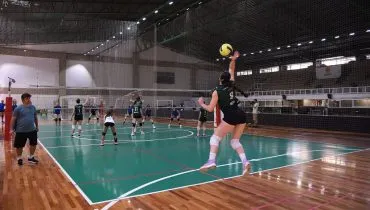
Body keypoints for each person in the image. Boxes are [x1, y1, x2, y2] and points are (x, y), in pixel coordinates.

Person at [197, 51, 250, 176]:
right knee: (234, 142)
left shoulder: (217, 91)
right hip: (241, 114)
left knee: (215, 138)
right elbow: (232, 69)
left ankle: (211, 161)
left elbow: (210, 109)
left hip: (231, 115)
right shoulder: (231, 84)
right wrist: (233, 59)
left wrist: (201, 103)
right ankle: (245, 162)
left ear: (220, 79)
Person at [10, 93, 39, 165]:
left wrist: (37, 126)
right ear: (23, 100)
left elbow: (35, 117)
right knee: (19, 146)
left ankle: (31, 157)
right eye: (27, 98)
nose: (29, 100)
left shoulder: (33, 107)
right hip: (21, 131)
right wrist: (11, 129)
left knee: (33, 144)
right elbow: (13, 119)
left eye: (29, 98)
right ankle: (19, 158)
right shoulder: (18, 108)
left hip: (32, 130)